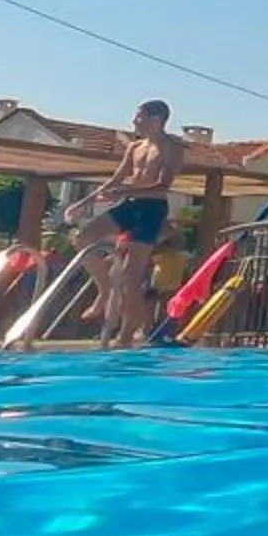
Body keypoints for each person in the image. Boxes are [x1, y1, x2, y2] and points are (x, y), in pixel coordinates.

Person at [70, 101, 185, 350]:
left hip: (151, 210)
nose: (134, 122)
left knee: (131, 279)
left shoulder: (172, 147)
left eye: (139, 117)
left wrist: (123, 190)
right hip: (130, 205)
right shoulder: (134, 147)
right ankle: (104, 290)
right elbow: (116, 179)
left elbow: (162, 185)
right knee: (83, 237)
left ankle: (124, 337)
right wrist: (83, 202)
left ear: (157, 120)